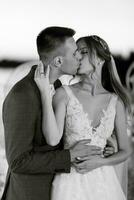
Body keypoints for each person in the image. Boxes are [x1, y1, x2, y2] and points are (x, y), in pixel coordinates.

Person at [1, 27, 107, 200]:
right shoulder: (22, 95)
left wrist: (97, 145)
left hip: (59, 190)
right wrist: (70, 155)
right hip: (28, 194)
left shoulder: (57, 87)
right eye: (75, 54)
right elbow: (18, 162)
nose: (79, 57)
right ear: (58, 61)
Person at [35, 35, 132, 200]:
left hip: (106, 185)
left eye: (84, 52)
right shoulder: (63, 94)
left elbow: (125, 151)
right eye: (75, 53)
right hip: (69, 184)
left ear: (101, 58)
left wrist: (101, 161)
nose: (77, 56)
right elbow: (52, 139)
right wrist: (45, 93)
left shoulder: (116, 102)